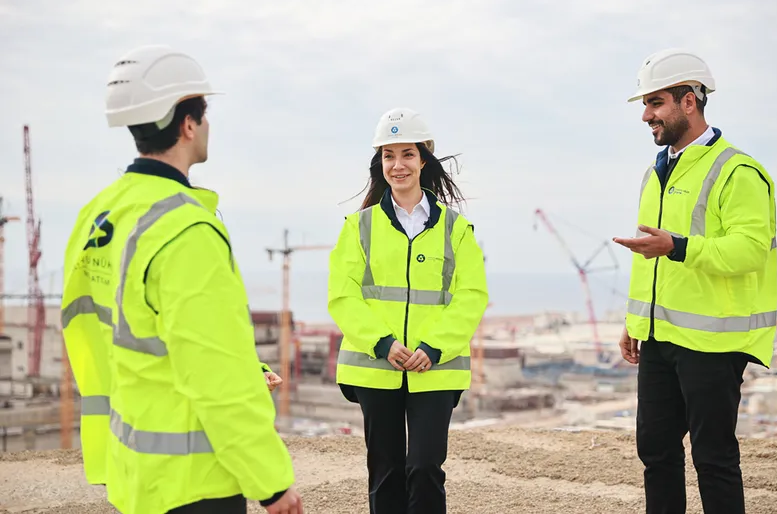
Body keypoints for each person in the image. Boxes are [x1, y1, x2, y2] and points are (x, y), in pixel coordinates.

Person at [60, 45, 303, 514]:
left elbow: (120, 333)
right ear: (187, 123)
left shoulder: (102, 213)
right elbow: (215, 376)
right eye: (204, 113)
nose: (207, 124)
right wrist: (271, 483)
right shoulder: (185, 228)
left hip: (134, 468)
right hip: (192, 480)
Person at [613, 48, 777, 514]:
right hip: (659, 339)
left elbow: (749, 250)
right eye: (646, 105)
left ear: (690, 101)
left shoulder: (738, 171)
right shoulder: (656, 172)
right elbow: (652, 256)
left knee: (714, 459)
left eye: (656, 102)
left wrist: (680, 246)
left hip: (713, 343)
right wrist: (634, 319)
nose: (646, 115)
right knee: (656, 453)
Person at [327, 107, 489, 514]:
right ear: (379, 163)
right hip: (375, 366)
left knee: (424, 467)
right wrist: (382, 343)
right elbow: (342, 295)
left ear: (424, 160)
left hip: (434, 367)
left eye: (407, 154)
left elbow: (471, 295)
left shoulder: (456, 229)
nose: (397, 165)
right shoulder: (358, 227)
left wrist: (434, 347)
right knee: (385, 471)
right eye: (388, 156)